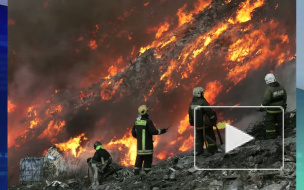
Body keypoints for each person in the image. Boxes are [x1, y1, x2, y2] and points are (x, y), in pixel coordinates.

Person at [132, 105, 168, 175]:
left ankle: (135, 177)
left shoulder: (136, 122)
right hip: (147, 149)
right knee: (147, 165)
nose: (148, 112)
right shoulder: (148, 121)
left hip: (140, 149)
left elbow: (133, 134)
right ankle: (147, 178)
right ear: (145, 112)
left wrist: (139, 138)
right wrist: (162, 131)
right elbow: (153, 131)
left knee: (138, 164)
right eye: (147, 111)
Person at [188, 87, 217, 156]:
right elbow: (209, 111)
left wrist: (191, 122)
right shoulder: (203, 102)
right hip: (205, 125)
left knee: (199, 138)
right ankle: (212, 150)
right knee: (210, 136)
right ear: (199, 94)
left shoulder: (191, 104)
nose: (203, 94)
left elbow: (190, 114)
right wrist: (213, 119)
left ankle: (198, 151)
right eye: (202, 93)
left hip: (197, 125)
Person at [261, 73, 287, 139]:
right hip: (280, 109)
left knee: (270, 122)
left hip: (272, 110)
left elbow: (266, 100)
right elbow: (285, 97)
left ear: (267, 81)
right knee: (277, 121)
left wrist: (262, 106)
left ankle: (271, 137)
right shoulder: (281, 87)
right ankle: (279, 133)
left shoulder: (269, 90)